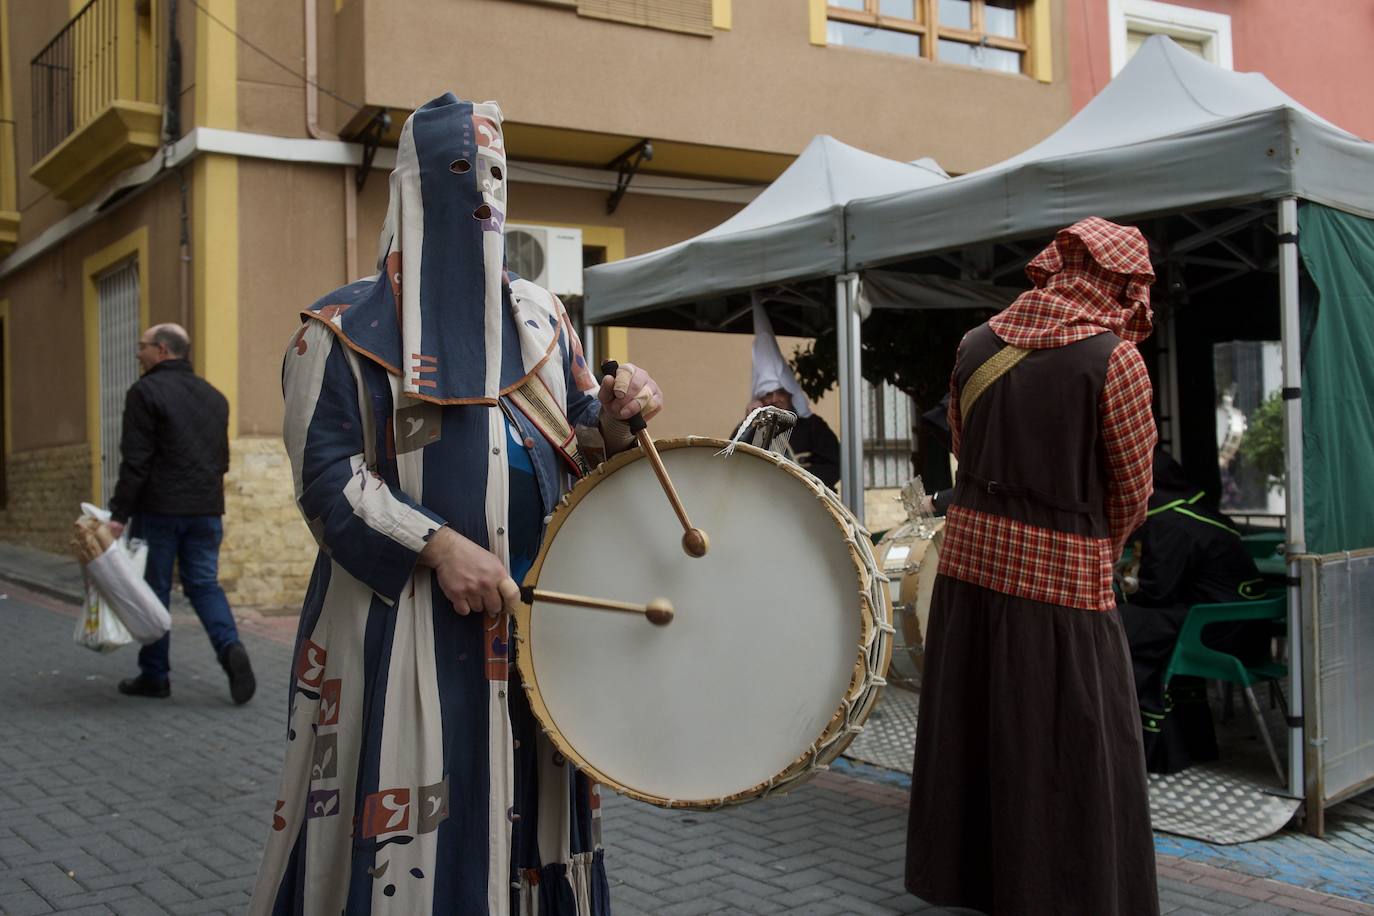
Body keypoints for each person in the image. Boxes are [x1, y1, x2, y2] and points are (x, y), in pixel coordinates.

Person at [250, 94, 662, 915]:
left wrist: (623, 418)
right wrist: (437, 547)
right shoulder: (334, 333)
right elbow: (325, 479)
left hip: (536, 628)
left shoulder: (544, 318)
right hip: (398, 633)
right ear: (413, 183)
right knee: (413, 824)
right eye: (462, 171)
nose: (484, 195)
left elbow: (587, 441)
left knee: (538, 818)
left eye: (500, 174)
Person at [905, 217, 1160, 916]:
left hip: (968, 566)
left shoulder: (974, 344)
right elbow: (1133, 489)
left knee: (981, 725)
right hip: (1066, 583)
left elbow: (962, 445)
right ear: (1121, 282)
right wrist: (1089, 546)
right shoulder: (1116, 361)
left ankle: (979, 882)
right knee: (1070, 744)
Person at [107, 322, 255, 705]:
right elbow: (220, 460)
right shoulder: (214, 397)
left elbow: (135, 461)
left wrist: (118, 514)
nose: (138, 354)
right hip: (206, 510)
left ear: (161, 349)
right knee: (204, 584)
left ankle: (155, 676)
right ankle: (230, 649)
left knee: (153, 590)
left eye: (142, 347)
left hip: (159, 510)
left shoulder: (145, 392)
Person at [1118, 446, 1272, 773]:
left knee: (1116, 630)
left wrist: (1122, 582)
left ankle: (1143, 746)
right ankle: (1183, 741)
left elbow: (1155, 592)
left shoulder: (1169, 522)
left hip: (1218, 632)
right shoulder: (1197, 513)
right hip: (1248, 631)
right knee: (1139, 630)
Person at [735, 299, 840, 488]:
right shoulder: (754, 427)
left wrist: (797, 480)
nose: (774, 399)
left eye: (780, 392)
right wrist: (748, 423)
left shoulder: (813, 426)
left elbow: (833, 466)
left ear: (791, 392)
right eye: (767, 394)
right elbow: (733, 463)